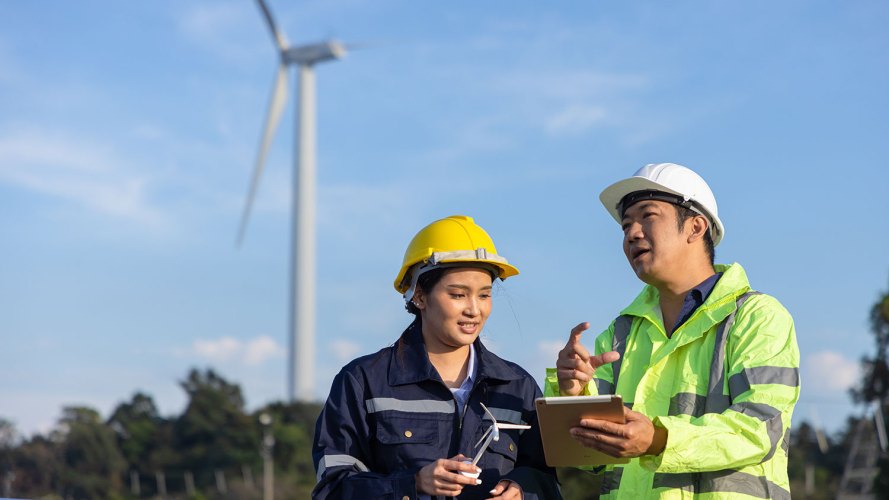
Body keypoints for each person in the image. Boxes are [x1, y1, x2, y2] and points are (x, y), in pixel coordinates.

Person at [547, 163, 800, 499]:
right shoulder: (620, 334)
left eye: (647, 216)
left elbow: (760, 429)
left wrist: (658, 439)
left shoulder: (757, 317)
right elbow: (587, 458)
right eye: (625, 225)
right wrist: (573, 393)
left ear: (696, 227)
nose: (632, 233)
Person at [313, 215, 561, 500]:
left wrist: (523, 490)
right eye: (457, 294)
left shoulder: (517, 386)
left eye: (484, 295)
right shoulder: (363, 382)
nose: (473, 309)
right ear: (419, 295)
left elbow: (546, 479)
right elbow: (332, 488)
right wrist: (413, 484)